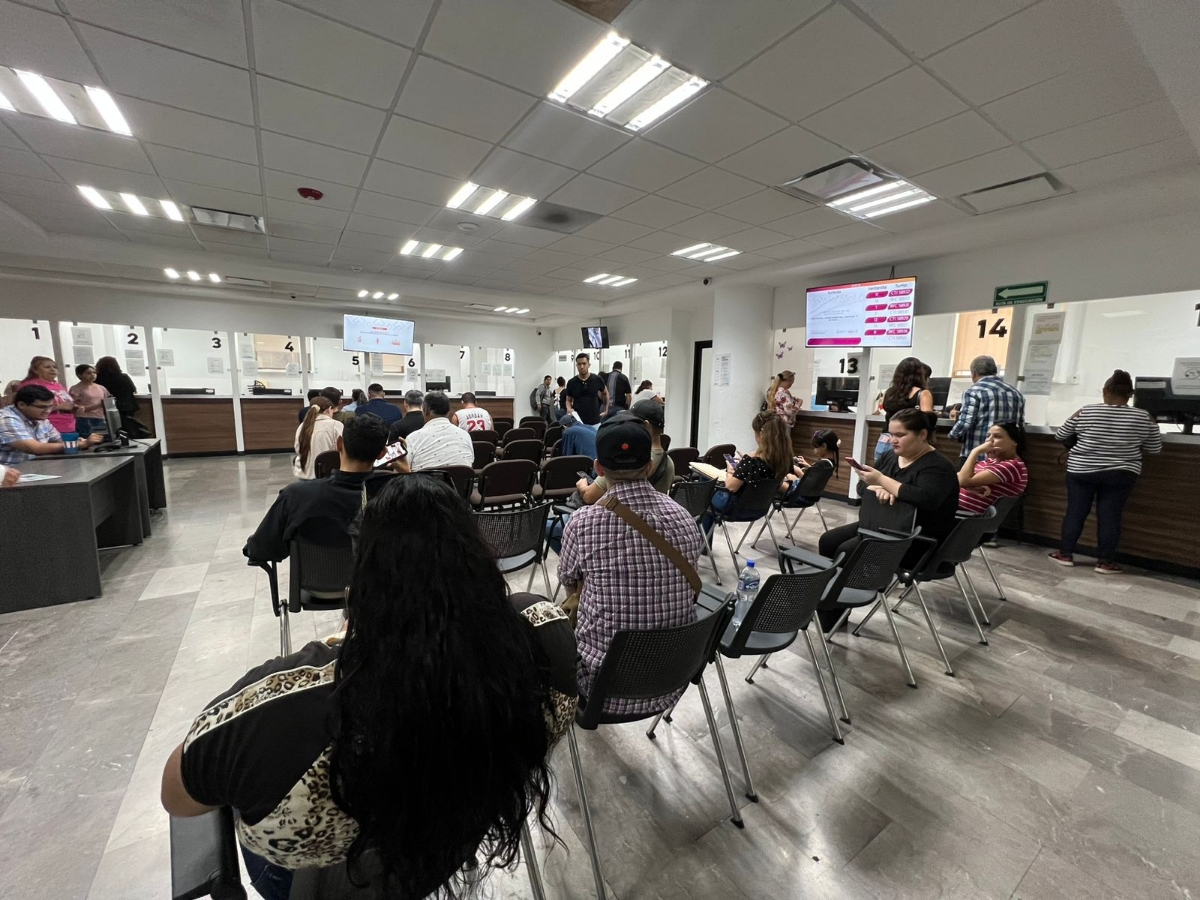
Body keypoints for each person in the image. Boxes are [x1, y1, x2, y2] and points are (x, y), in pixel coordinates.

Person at [162, 475, 577, 900]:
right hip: (448, 848)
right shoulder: (544, 637)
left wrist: (342, 645)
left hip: (309, 882)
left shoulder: (283, 706)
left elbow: (177, 797)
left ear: (362, 580)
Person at [558, 415, 703, 714]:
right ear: (649, 466)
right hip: (672, 679)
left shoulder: (582, 523)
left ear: (599, 468)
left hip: (600, 688)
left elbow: (570, 586)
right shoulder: (685, 518)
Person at [815, 407, 959, 630]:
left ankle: (833, 612)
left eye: (901, 435)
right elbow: (862, 487)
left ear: (922, 434)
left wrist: (883, 482)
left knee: (846, 551)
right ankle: (829, 602)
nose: (893, 440)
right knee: (828, 541)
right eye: (891, 434)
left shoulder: (937, 467)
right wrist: (880, 486)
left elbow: (926, 499)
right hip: (885, 524)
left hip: (915, 539)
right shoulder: (891, 457)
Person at [1049, 369, 1162, 574]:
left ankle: (1065, 554)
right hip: (1121, 473)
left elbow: (1060, 435)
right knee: (1110, 515)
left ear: (1105, 390)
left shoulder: (1087, 411)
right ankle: (1105, 562)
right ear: (1131, 394)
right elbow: (1155, 449)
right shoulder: (1142, 416)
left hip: (1081, 470)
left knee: (1075, 511)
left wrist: (1076, 416)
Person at [245, 414, 394, 565]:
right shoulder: (395, 498)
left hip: (317, 579)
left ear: (339, 444)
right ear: (382, 453)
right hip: (377, 580)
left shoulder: (297, 496)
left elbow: (261, 549)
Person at [699, 411, 793, 534]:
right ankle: (703, 537)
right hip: (760, 508)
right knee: (707, 499)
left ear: (761, 434)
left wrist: (730, 472)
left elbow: (731, 487)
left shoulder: (752, 460)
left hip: (735, 508)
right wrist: (742, 469)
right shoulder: (785, 459)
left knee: (704, 485)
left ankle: (700, 537)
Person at [575, 401, 675, 505]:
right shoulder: (669, 462)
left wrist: (582, 485)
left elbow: (589, 496)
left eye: (633, 421)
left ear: (646, 425)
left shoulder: (626, 462)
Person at [948, 355, 1025, 460]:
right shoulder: (1015, 393)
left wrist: (952, 435)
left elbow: (966, 422)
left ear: (974, 373)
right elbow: (1019, 425)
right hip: (1007, 457)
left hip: (979, 456)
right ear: (995, 371)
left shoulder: (973, 391)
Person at [957, 422, 1028, 516]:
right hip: (958, 511)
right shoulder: (990, 461)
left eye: (997, 436)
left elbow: (962, 480)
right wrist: (969, 486)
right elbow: (958, 478)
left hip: (969, 518)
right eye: (988, 436)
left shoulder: (1013, 466)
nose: (989, 441)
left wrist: (975, 451)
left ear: (1014, 441)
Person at [876, 357, 935, 458]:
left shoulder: (888, 392)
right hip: (907, 441)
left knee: (882, 466)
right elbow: (927, 420)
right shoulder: (923, 393)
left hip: (885, 438)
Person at [401, 391, 473, 471]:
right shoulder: (465, 435)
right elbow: (471, 463)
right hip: (460, 479)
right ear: (448, 411)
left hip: (425, 479)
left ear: (425, 410)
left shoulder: (413, 439)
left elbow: (403, 472)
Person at [0, 385, 65, 464]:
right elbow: (35, 448)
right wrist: (73, 444)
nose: (48, 411)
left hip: (36, 467)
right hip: (10, 469)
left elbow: (59, 441)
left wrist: (75, 443)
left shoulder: (40, 418)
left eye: (51, 406)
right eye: (42, 407)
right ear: (21, 405)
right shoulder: (5, 419)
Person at [20, 356, 77, 437]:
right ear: (35, 370)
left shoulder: (58, 385)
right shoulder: (31, 385)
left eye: (55, 367)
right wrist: (59, 407)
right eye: (47, 367)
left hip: (69, 425)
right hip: (48, 428)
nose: (52, 369)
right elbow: (28, 409)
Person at [95, 356, 147, 437]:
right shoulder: (124, 377)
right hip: (127, 406)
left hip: (110, 406)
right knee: (127, 426)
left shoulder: (98, 378)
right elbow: (133, 389)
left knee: (112, 428)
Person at [783, 428, 839, 501]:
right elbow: (816, 476)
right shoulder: (829, 463)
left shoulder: (822, 464)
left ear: (824, 446)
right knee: (790, 476)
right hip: (811, 495)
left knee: (778, 482)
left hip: (802, 495)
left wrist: (797, 470)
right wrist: (807, 465)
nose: (814, 450)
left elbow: (809, 483)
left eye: (815, 447)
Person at [293, 396, 343, 480]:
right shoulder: (336, 425)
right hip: (328, 475)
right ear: (329, 409)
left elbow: (298, 449)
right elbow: (342, 449)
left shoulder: (302, 426)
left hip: (303, 474)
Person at [69, 364, 112, 440]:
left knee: (102, 439)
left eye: (94, 373)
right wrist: (97, 405)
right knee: (87, 439)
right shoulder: (76, 388)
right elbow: (72, 406)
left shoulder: (101, 388)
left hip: (101, 417)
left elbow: (108, 400)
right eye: (88, 373)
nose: (92, 375)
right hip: (85, 419)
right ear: (79, 375)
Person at [565, 353, 607, 427]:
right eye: (579, 364)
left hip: (595, 421)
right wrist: (569, 408)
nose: (582, 366)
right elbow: (568, 400)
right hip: (578, 422)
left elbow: (606, 393)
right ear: (576, 365)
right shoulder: (571, 382)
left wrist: (606, 410)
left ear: (589, 365)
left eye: (584, 363)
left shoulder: (597, 379)